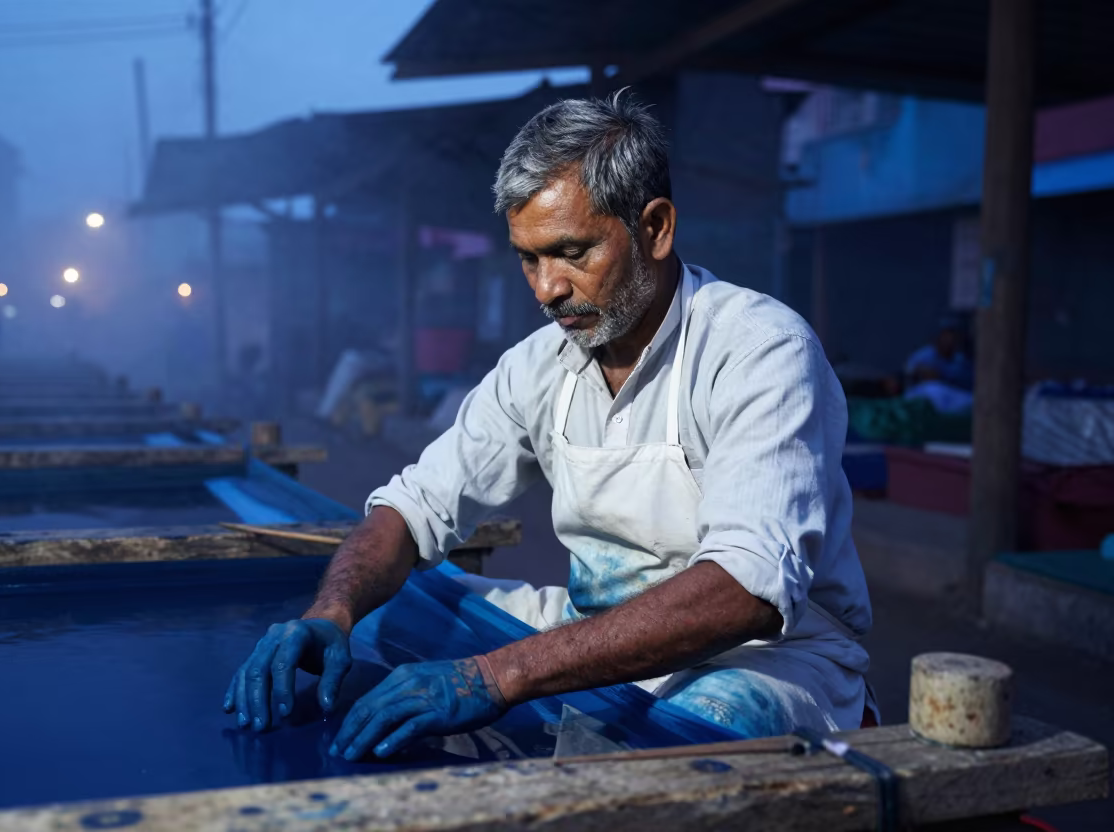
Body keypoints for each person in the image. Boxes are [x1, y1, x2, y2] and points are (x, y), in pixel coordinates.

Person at [224, 92, 875, 759]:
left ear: (654, 228)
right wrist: (328, 613)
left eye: (570, 253)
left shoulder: (759, 349)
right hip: (588, 629)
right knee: (380, 616)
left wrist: (497, 675)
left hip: (761, 659)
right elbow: (413, 506)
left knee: (689, 739)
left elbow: (747, 593)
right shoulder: (538, 366)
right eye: (528, 258)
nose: (545, 289)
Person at [903, 316, 974, 414]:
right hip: (923, 401)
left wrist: (940, 375)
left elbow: (968, 381)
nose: (950, 339)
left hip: (952, 400)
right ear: (939, 336)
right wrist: (920, 373)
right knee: (934, 390)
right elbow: (908, 376)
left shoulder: (960, 359)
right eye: (946, 334)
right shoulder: (923, 355)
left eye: (953, 334)